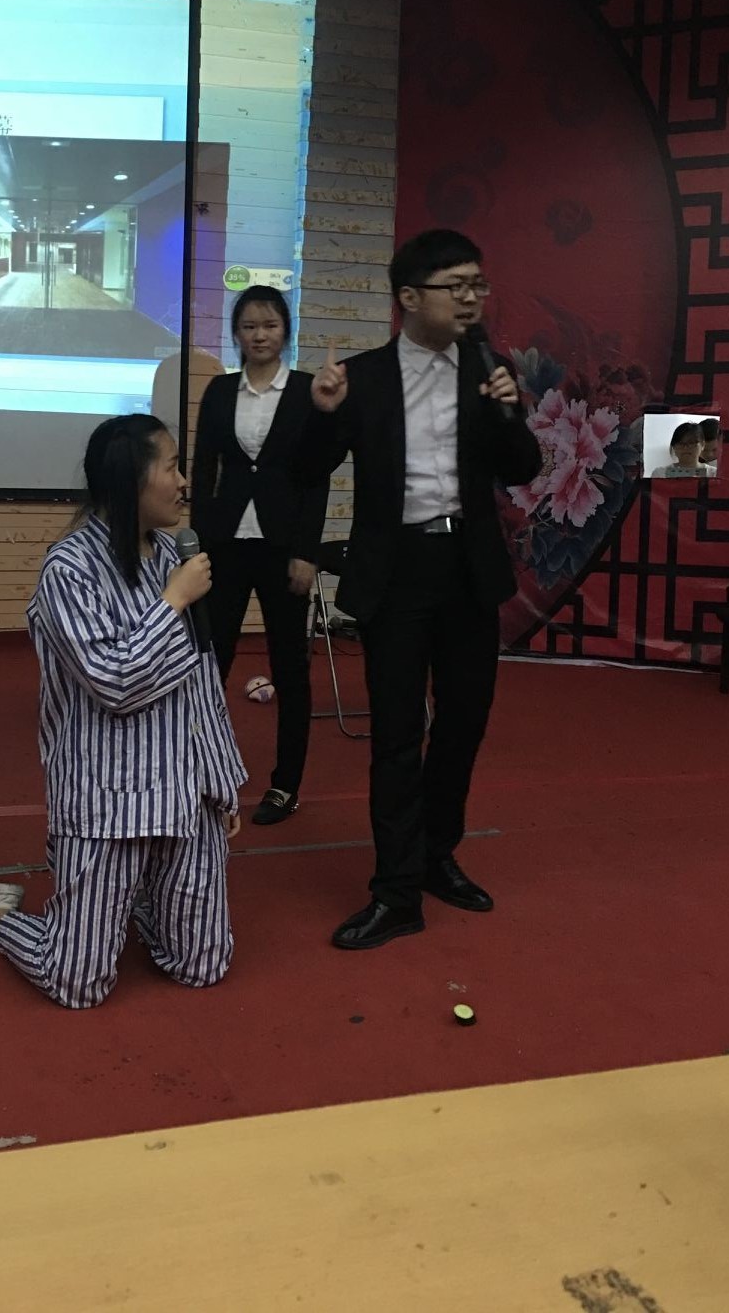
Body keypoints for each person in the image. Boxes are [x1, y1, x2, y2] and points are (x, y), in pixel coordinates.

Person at [298, 229, 543, 951]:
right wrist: (320, 412)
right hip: (397, 570)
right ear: (409, 297)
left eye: (477, 285)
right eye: (455, 286)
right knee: (398, 733)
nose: (471, 299)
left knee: (464, 721)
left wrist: (508, 409)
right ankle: (397, 891)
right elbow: (308, 470)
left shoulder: (489, 370)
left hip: (468, 567)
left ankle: (438, 853)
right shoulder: (363, 378)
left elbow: (522, 468)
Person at [0, 414, 245, 1009]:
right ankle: (0, 914)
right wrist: (173, 601)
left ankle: (138, 899)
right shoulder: (68, 570)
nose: (183, 482)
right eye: (172, 467)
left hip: (184, 792)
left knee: (202, 965)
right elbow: (115, 682)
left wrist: (222, 783)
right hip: (107, 798)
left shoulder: (173, 552)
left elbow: (203, 683)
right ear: (130, 480)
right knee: (77, 983)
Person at [190, 286, 329, 825]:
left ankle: (285, 785)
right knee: (210, 665)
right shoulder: (220, 391)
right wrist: (198, 542)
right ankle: (201, 774)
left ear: (285, 330)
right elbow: (205, 469)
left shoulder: (306, 392)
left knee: (290, 669)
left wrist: (307, 552)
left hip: (284, 547)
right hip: (225, 544)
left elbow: (315, 479)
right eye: (249, 326)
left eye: (269, 325)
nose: (259, 335)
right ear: (236, 334)